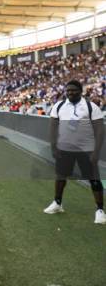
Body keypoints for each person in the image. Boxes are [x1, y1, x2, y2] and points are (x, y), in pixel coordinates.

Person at [44, 80, 105, 224]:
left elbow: (100, 131)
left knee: (93, 178)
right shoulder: (59, 106)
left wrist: (96, 152)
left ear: (81, 91)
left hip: (86, 149)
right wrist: (53, 146)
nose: (70, 92)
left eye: (74, 90)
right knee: (60, 176)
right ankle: (57, 203)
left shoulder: (91, 107)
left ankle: (100, 210)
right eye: (68, 90)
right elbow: (53, 127)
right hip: (65, 148)